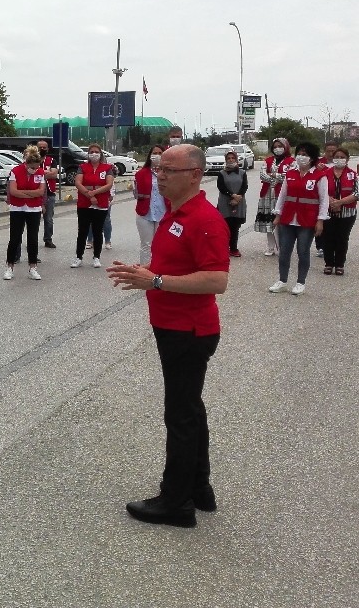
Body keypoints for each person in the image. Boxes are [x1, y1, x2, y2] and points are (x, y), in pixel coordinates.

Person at [106, 143, 230, 528]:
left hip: (188, 331)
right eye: (159, 169)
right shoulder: (176, 213)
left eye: (169, 171)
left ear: (194, 175)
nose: (159, 177)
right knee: (189, 408)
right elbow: (173, 265)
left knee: (179, 415)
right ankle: (199, 488)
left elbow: (216, 279)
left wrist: (156, 281)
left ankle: (175, 502)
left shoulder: (204, 219)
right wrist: (145, 272)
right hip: (172, 327)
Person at [269, 142, 328, 296]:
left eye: (305, 154)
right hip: (288, 218)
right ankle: (282, 281)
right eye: (299, 154)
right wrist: (277, 215)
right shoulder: (290, 174)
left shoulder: (319, 176)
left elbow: (324, 200)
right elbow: (282, 196)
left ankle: (300, 282)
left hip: (307, 220)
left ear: (312, 158)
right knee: (284, 251)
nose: (301, 157)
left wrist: (320, 220)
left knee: (303, 251)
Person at [3, 146, 45, 281]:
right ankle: (10, 267)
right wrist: (31, 194)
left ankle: (33, 267)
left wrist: (24, 193)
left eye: (37, 167)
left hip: (34, 209)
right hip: (17, 208)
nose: (35, 170)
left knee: (33, 238)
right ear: (26, 164)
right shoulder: (15, 171)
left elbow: (41, 191)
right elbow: (13, 191)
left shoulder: (40, 172)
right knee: (15, 238)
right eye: (32, 167)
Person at [73, 143, 115, 268]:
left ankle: (96, 257)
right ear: (88, 154)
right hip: (84, 203)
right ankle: (78, 257)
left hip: (100, 203)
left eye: (96, 152)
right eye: (91, 152)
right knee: (82, 231)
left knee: (97, 231)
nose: (94, 154)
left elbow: (109, 184)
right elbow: (78, 183)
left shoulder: (107, 168)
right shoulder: (82, 167)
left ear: (101, 154)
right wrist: (89, 195)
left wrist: (94, 193)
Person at [254, 137, 293, 256]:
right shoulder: (268, 160)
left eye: (280, 146)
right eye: (275, 147)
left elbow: (289, 176)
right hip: (267, 195)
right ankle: (270, 247)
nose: (277, 149)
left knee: (281, 222)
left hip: (282, 195)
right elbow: (262, 175)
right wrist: (276, 178)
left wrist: (273, 175)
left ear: (285, 147)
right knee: (269, 222)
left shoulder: (291, 161)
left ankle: (282, 248)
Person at [322, 148, 357, 275]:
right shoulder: (325, 173)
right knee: (328, 238)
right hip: (328, 211)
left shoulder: (353, 175)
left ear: (347, 159)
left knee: (342, 238)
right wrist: (330, 201)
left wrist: (340, 202)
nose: (339, 159)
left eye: (342, 157)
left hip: (347, 213)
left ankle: (339, 264)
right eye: (337, 156)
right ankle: (328, 264)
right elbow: (319, 190)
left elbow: (357, 193)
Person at [134, 145, 166, 266]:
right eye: (154, 153)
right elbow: (136, 194)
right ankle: (144, 270)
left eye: (160, 153)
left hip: (163, 213)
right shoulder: (141, 173)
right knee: (146, 244)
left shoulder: (168, 173)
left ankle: (158, 268)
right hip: (145, 212)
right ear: (150, 155)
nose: (157, 156)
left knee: (160, 244)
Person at [216, 150, 248, 258]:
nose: (231, 160)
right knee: (225, 226)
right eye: (228, 158)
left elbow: (244, 186)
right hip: (225, 203)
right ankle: (224, 248)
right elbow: (221, 187)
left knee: (235, 226)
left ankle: (233, 248)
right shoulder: (222, 173)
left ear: (236, 159)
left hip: (239, 202)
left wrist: (238, 197)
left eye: (233, 158)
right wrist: (232, 195)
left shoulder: (242, 172)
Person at [314, 140, 339, 256]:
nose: (330, 153)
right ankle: (320, 247)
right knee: (320, 222)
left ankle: (333, 246)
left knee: (333, 225)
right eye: (328, 151)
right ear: (324, 151)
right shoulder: (319, 164)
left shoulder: (340, 162)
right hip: (321, 198)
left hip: (336, 198)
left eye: (333, 151)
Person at [37, 139, 59, 248]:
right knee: (33, 220)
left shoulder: (51, 161)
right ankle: (32, 239)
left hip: (50, 193)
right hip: (35, 194)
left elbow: (54, 174)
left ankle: (48, 239)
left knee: (49, 219)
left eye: (44, 147)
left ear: (47, 149)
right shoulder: (32, 160)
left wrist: (39, 173)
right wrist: (47, 173)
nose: (42, 149)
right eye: (40, 147)